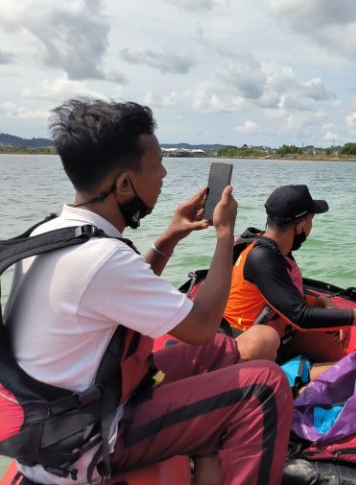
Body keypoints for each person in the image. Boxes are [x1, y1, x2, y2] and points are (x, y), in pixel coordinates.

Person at [4, 99, 292, 485]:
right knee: (266, 386)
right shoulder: (103, 259)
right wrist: (226, 235)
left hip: (62, 417)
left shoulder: (52, 233)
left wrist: (169, 238)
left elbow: (114, 292)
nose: (164, 174)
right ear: (124, 183)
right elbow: (204, 325)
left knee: (202, 354)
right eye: (157, 164)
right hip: (84, 441)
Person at [224, 184, 356, 347]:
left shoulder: (267, 247)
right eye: (311, 220)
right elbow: (300, 316)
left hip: (265, 338)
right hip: (241, 347)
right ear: (301, 225)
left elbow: (284, 290)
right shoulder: (262, 258)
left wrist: (322, 299)